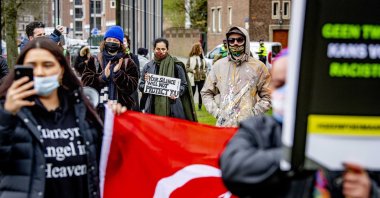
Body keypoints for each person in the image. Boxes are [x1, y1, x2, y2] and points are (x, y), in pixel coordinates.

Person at [219, 49, 380, 198]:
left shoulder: (352, 136)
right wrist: (300, 155)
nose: (288, 92)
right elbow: (234, 168)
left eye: (296, 84)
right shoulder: (258, 129)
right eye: (279, 84)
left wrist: (370, 191)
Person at [0, 37, 126, 198]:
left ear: (61, 69)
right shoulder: (9, 110)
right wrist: (5, 116)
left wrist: (116, 125)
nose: (39, 72)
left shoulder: (81, 108)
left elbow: (108, 160)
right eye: (32, 66)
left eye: (47, 65)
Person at [201, 26, 271, 127]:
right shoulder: (219, 66)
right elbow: (206, 93)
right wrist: (217, 112)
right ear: (228, 42)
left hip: (248, 128)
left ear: (246, 41)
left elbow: (268, 96)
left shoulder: (258, 67)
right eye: (232, 40)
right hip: (223, 126)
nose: (235, 43)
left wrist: (253, 114)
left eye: (239, 40)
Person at [81, 26, 139, 118]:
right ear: (105, 41)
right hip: (98, 111)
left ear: (120, 44)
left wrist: (118, 74)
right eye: (109, 39)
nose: (112, 42)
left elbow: (132, 87)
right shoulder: (95, 60)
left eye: (115, 41)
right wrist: (102, 77)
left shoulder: (128, 62)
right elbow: (85, 82)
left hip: (120, 111)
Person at [139, 37, 197, 121]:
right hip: (152, 109)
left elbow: (184, 85)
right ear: (154, 49)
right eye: (158, 49)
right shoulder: (148, 66)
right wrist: (147, 84)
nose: (160, 51)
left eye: (163, 49)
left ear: (167, 49)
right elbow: (141, 86)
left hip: (172, 108)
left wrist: (176, 92)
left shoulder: (176, 66)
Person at [186, 42, 207, 110]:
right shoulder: (191, 58)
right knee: (192, 93)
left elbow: (206, 67)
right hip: (193, 78)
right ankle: (191, 106)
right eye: (200, 48)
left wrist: (204, 71)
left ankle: (200, 107)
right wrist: (192, 70)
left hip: (202, 78)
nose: (201, 49)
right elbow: (186, 68)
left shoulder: (202, 58)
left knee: (201, 93)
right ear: (197, 49)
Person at [123, 34, 140, 111]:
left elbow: (138, 74)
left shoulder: (134, 57)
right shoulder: (115, 57)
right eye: (121, 41)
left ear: (128, 43)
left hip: (132, 92)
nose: (123, 43)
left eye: (124, 41)